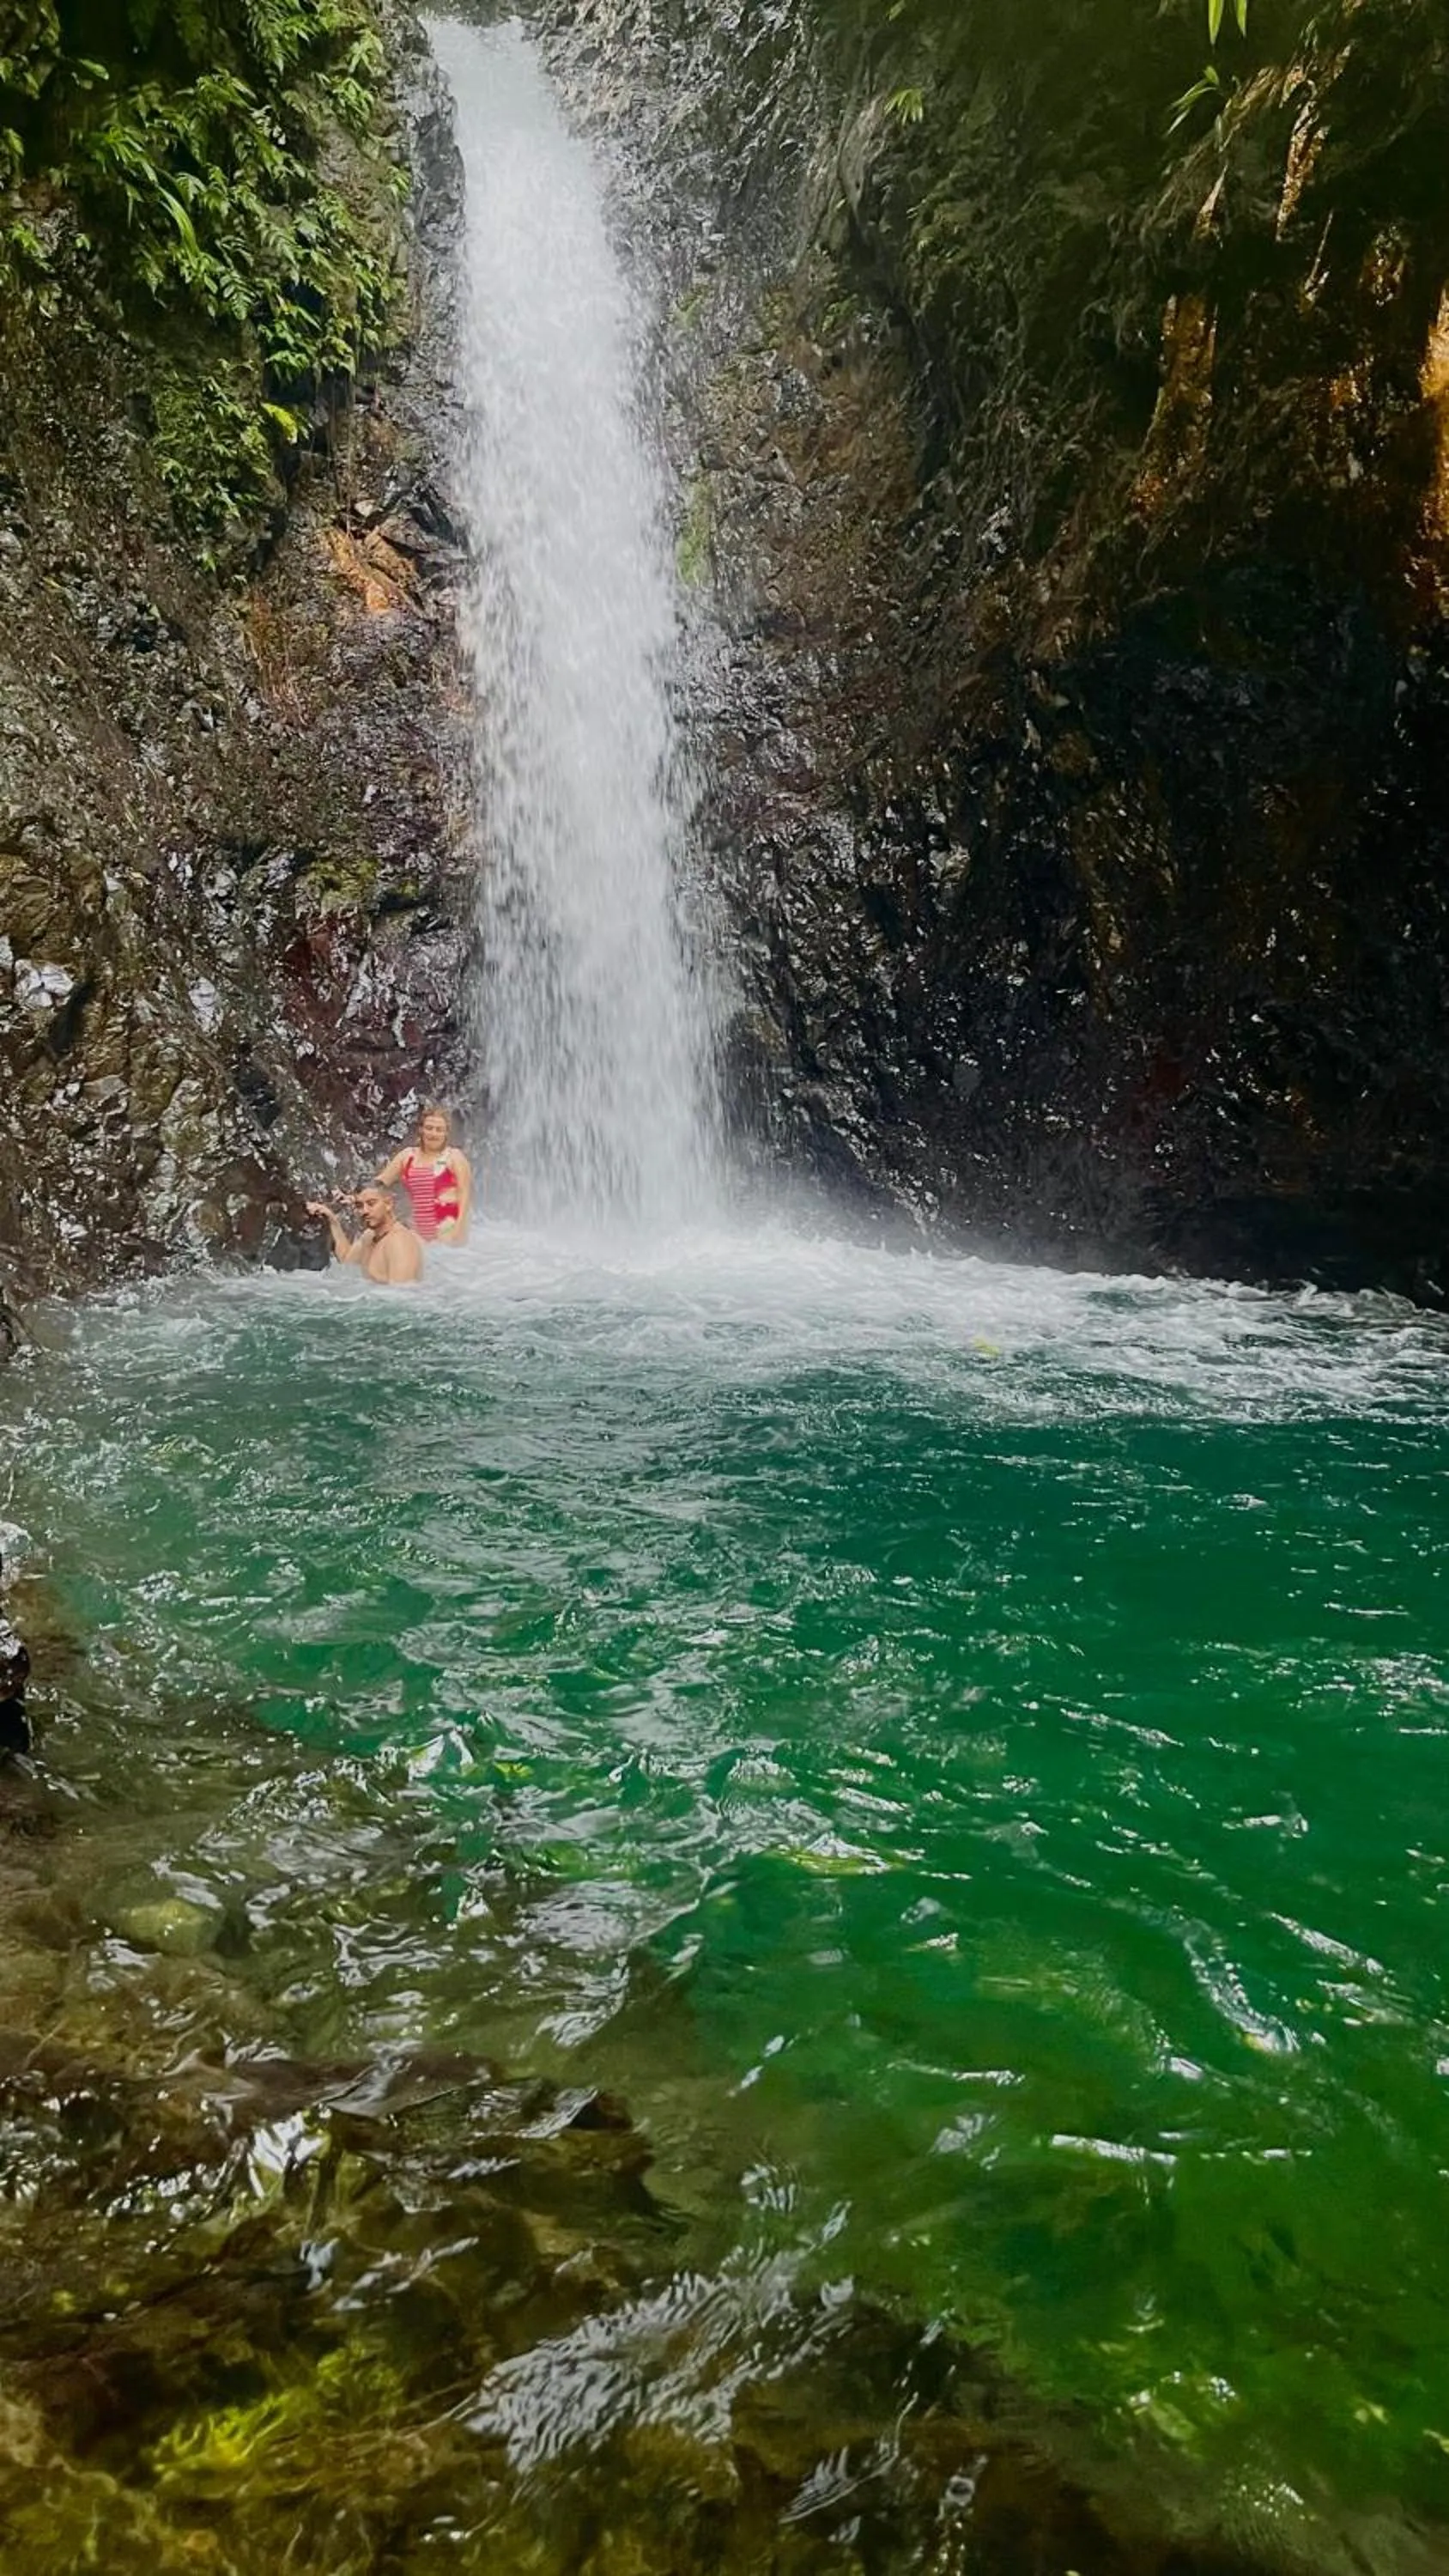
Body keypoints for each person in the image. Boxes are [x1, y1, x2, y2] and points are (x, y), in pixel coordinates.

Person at [375, 1104, 472, 1245]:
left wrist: (459, 1228)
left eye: (439, 1130)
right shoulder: (407, 1156)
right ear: (421, 1129)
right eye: (429, 1128)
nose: (433, 1134)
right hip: (418, 1231)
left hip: (448, 1231)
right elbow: (380, 1183)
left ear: (446, 1133)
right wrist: (353, 1196)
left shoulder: (455, 1157)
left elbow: (465, 1195)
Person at [306, 1186, 424, 1285]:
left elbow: (403, 1296)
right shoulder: (369, 1236)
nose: (365, 1211)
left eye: (371, 1204)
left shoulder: (399, 1242)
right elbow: (347, 1261)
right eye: (359, 1206)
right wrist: (332, 1220)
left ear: (388, 1204)